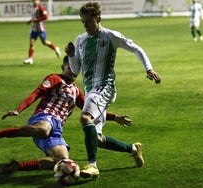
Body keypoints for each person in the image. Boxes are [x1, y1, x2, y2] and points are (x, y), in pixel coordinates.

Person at [0, 55, 132, 174]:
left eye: (76, 68)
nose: (73, 71)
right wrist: (18, 109)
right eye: (70, 66)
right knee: (43, 130)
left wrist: (115, 117)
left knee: (64, 163)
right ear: (63, 66)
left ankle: (17, 166)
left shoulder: (76, 91)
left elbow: (91, 111)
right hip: (43, 117)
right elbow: (36, 93)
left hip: (56, 130)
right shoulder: (54, 78)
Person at [65, 2, 161, 179]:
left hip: (105, 87)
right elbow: (76, 71)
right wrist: (71, 56)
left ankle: (92, 166)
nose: (85, 25)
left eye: (88, 21)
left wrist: (148, 68)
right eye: (83, 22)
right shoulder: (80, 40)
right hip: (91, 89)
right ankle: (134, 149)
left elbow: (136, 48)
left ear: (98, 19)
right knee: (98, 139)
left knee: (85, 117)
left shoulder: (110, 36)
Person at [23, 0, 61, 65]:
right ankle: (30, 59)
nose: (35, 2)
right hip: (34, 29)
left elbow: (46, 17)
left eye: (36, 0)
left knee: (44, 42)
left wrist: (37, 20)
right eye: (34, 1)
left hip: (41, 29)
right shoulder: (32, 8)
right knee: (31, 43)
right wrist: (30, 21)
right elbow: (33, 18)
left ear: (38, 1)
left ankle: (55, 48)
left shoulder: (40, 8)